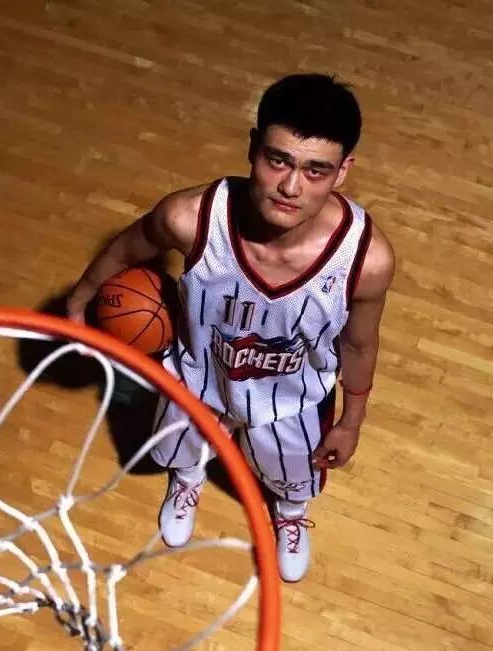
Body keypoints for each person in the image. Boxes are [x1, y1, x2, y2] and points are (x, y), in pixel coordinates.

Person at [67, 73, 395, 582]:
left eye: (316, 170)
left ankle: (289, 511)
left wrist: (352, 421)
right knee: (181, 443)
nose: (290, 187)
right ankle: (188, 477)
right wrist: (79, 302)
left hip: (291, 397)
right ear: (252, 148)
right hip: (202, 373)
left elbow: (359, 343)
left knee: (292, 474)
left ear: (343, 170)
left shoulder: (365, 260)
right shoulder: (189, 217)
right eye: (277, 160)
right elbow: (127, 249)